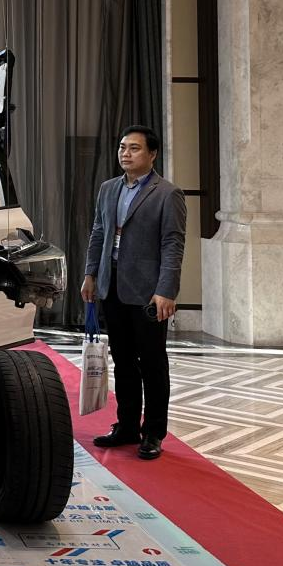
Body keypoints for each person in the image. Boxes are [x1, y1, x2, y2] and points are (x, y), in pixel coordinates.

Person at [81, 125, 187, 460]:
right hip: (112, 286)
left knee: (152, 363)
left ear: (152, 154)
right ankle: (126, 426)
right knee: (123, 361)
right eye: (122, 147)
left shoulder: (167, 193)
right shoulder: (108, 188)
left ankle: (153, 432)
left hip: (148, 292)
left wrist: (166, 290)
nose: (126, 153)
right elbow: (99, 232)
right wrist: (90, 274)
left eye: (135, 148)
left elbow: (173, 244)